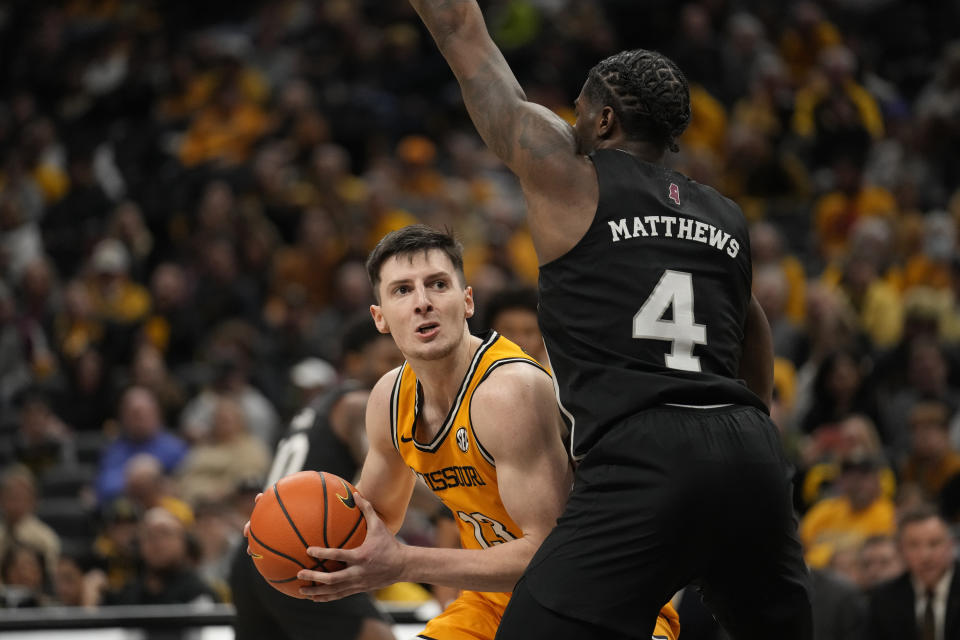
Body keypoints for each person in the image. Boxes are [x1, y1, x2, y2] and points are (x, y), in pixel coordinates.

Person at [405, 3, 812, 639]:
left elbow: (464, 36)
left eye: (576, 113)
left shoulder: (569, 175)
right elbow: (750, 322)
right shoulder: (724, 215)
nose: (568, 126)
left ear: (603, 118)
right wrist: (747, 427)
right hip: (749, 454)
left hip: (644, 451)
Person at [289, 227, 680, 639]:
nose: (423, 302)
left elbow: (549, 555)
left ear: (467, 300)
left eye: (438, 285)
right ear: (380, 317)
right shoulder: (388, 397)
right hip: (494, 602)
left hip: (600, 599)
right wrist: (288, 524)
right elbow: (372, 518)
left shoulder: (507, 392)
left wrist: (405, 562)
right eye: (402, 290)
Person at [231, 314, 402, 640]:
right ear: (354, 362)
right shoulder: (357, 403)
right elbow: (387, 469)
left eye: (403, 361)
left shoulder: (318, 406)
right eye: (389, 360)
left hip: (255, 550)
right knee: (378, 636)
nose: (399, 371)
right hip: (302, 548)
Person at [866, 505, 960, 640]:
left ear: (950, 546)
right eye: (914, 545)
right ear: (901, 551)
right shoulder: (884, 599)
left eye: (934, 543)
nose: (925, 556)